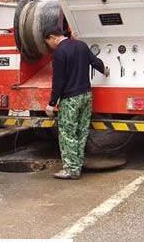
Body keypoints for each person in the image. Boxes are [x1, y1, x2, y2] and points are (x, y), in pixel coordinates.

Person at [43, 26, 109, 180]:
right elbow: (96, 62)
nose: (49, 45)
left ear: (52, 37)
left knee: (67, 134)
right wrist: (105, 70)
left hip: (71, 99)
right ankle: (77, 166)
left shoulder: (59, 52)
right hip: (86, 96)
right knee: (82, 132)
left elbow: (58, 81)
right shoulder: (81, 45)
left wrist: (52, 103)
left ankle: (71, 169)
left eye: (48, 42)